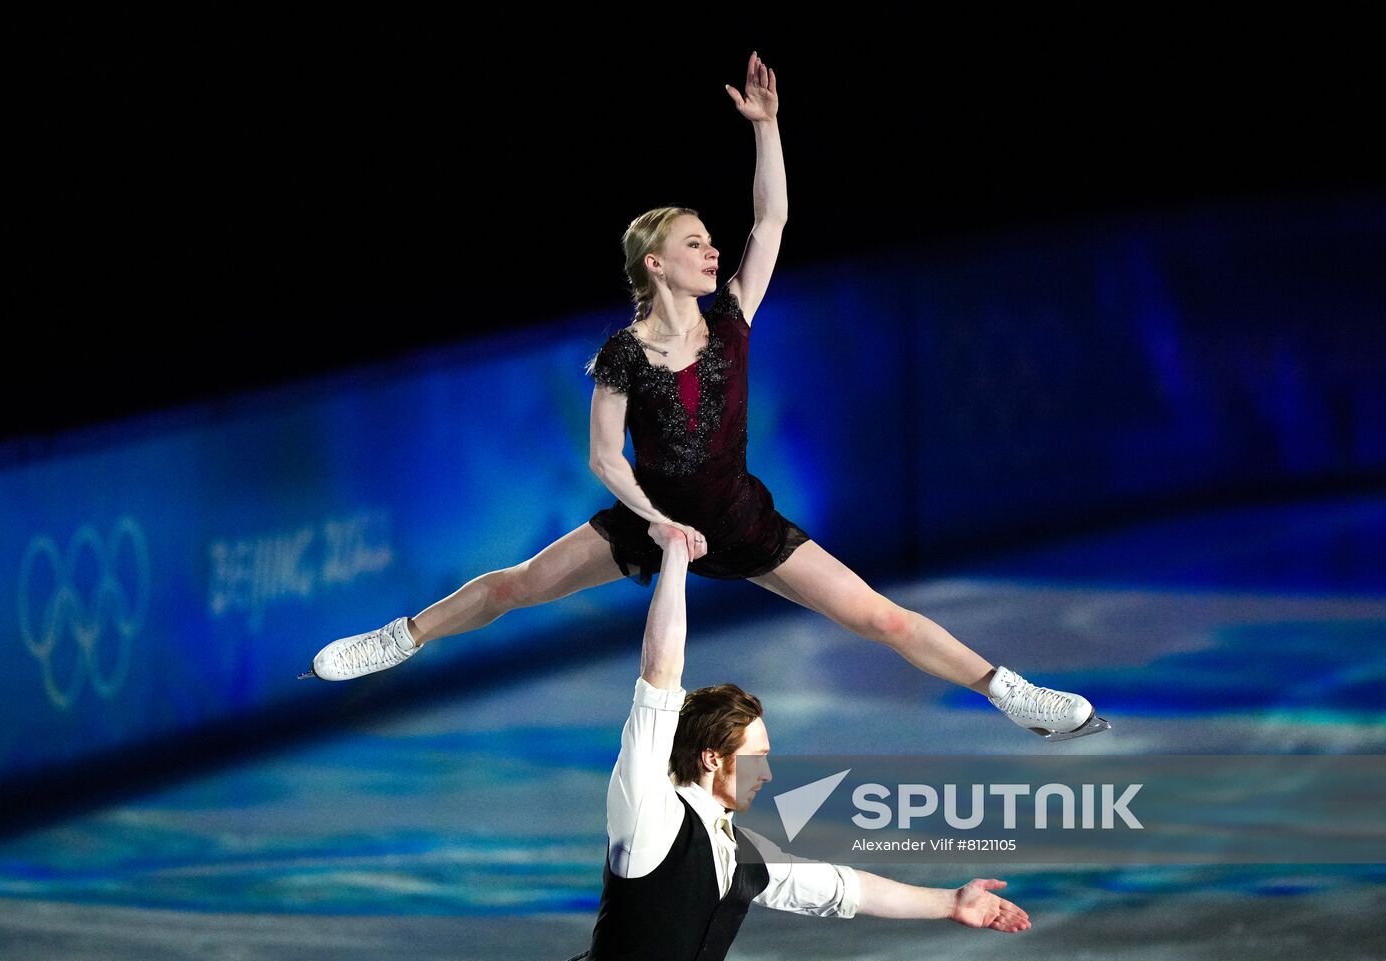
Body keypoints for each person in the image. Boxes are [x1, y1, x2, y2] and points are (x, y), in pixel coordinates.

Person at [306, 51, 1109, 742]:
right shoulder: (622, 353)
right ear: (654, 264)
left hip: (740, 518)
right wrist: (656, 523)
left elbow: (772, 218)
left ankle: (1014, 694)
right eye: (694, 242)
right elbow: (602, 456)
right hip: (652, 522)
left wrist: (766, 125)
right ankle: (398, 637)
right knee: (516, 584)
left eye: (708, 240)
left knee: (881, 616)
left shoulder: (731, 318)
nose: (711, 247)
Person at [566, 522, 1031, 960]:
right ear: (711, 757)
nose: (766, 773)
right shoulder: (650, 814)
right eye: (756, 758)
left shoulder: (736, 852)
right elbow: (661, 673)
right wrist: (673, 555)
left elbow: (841, 888)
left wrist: (951, 902)